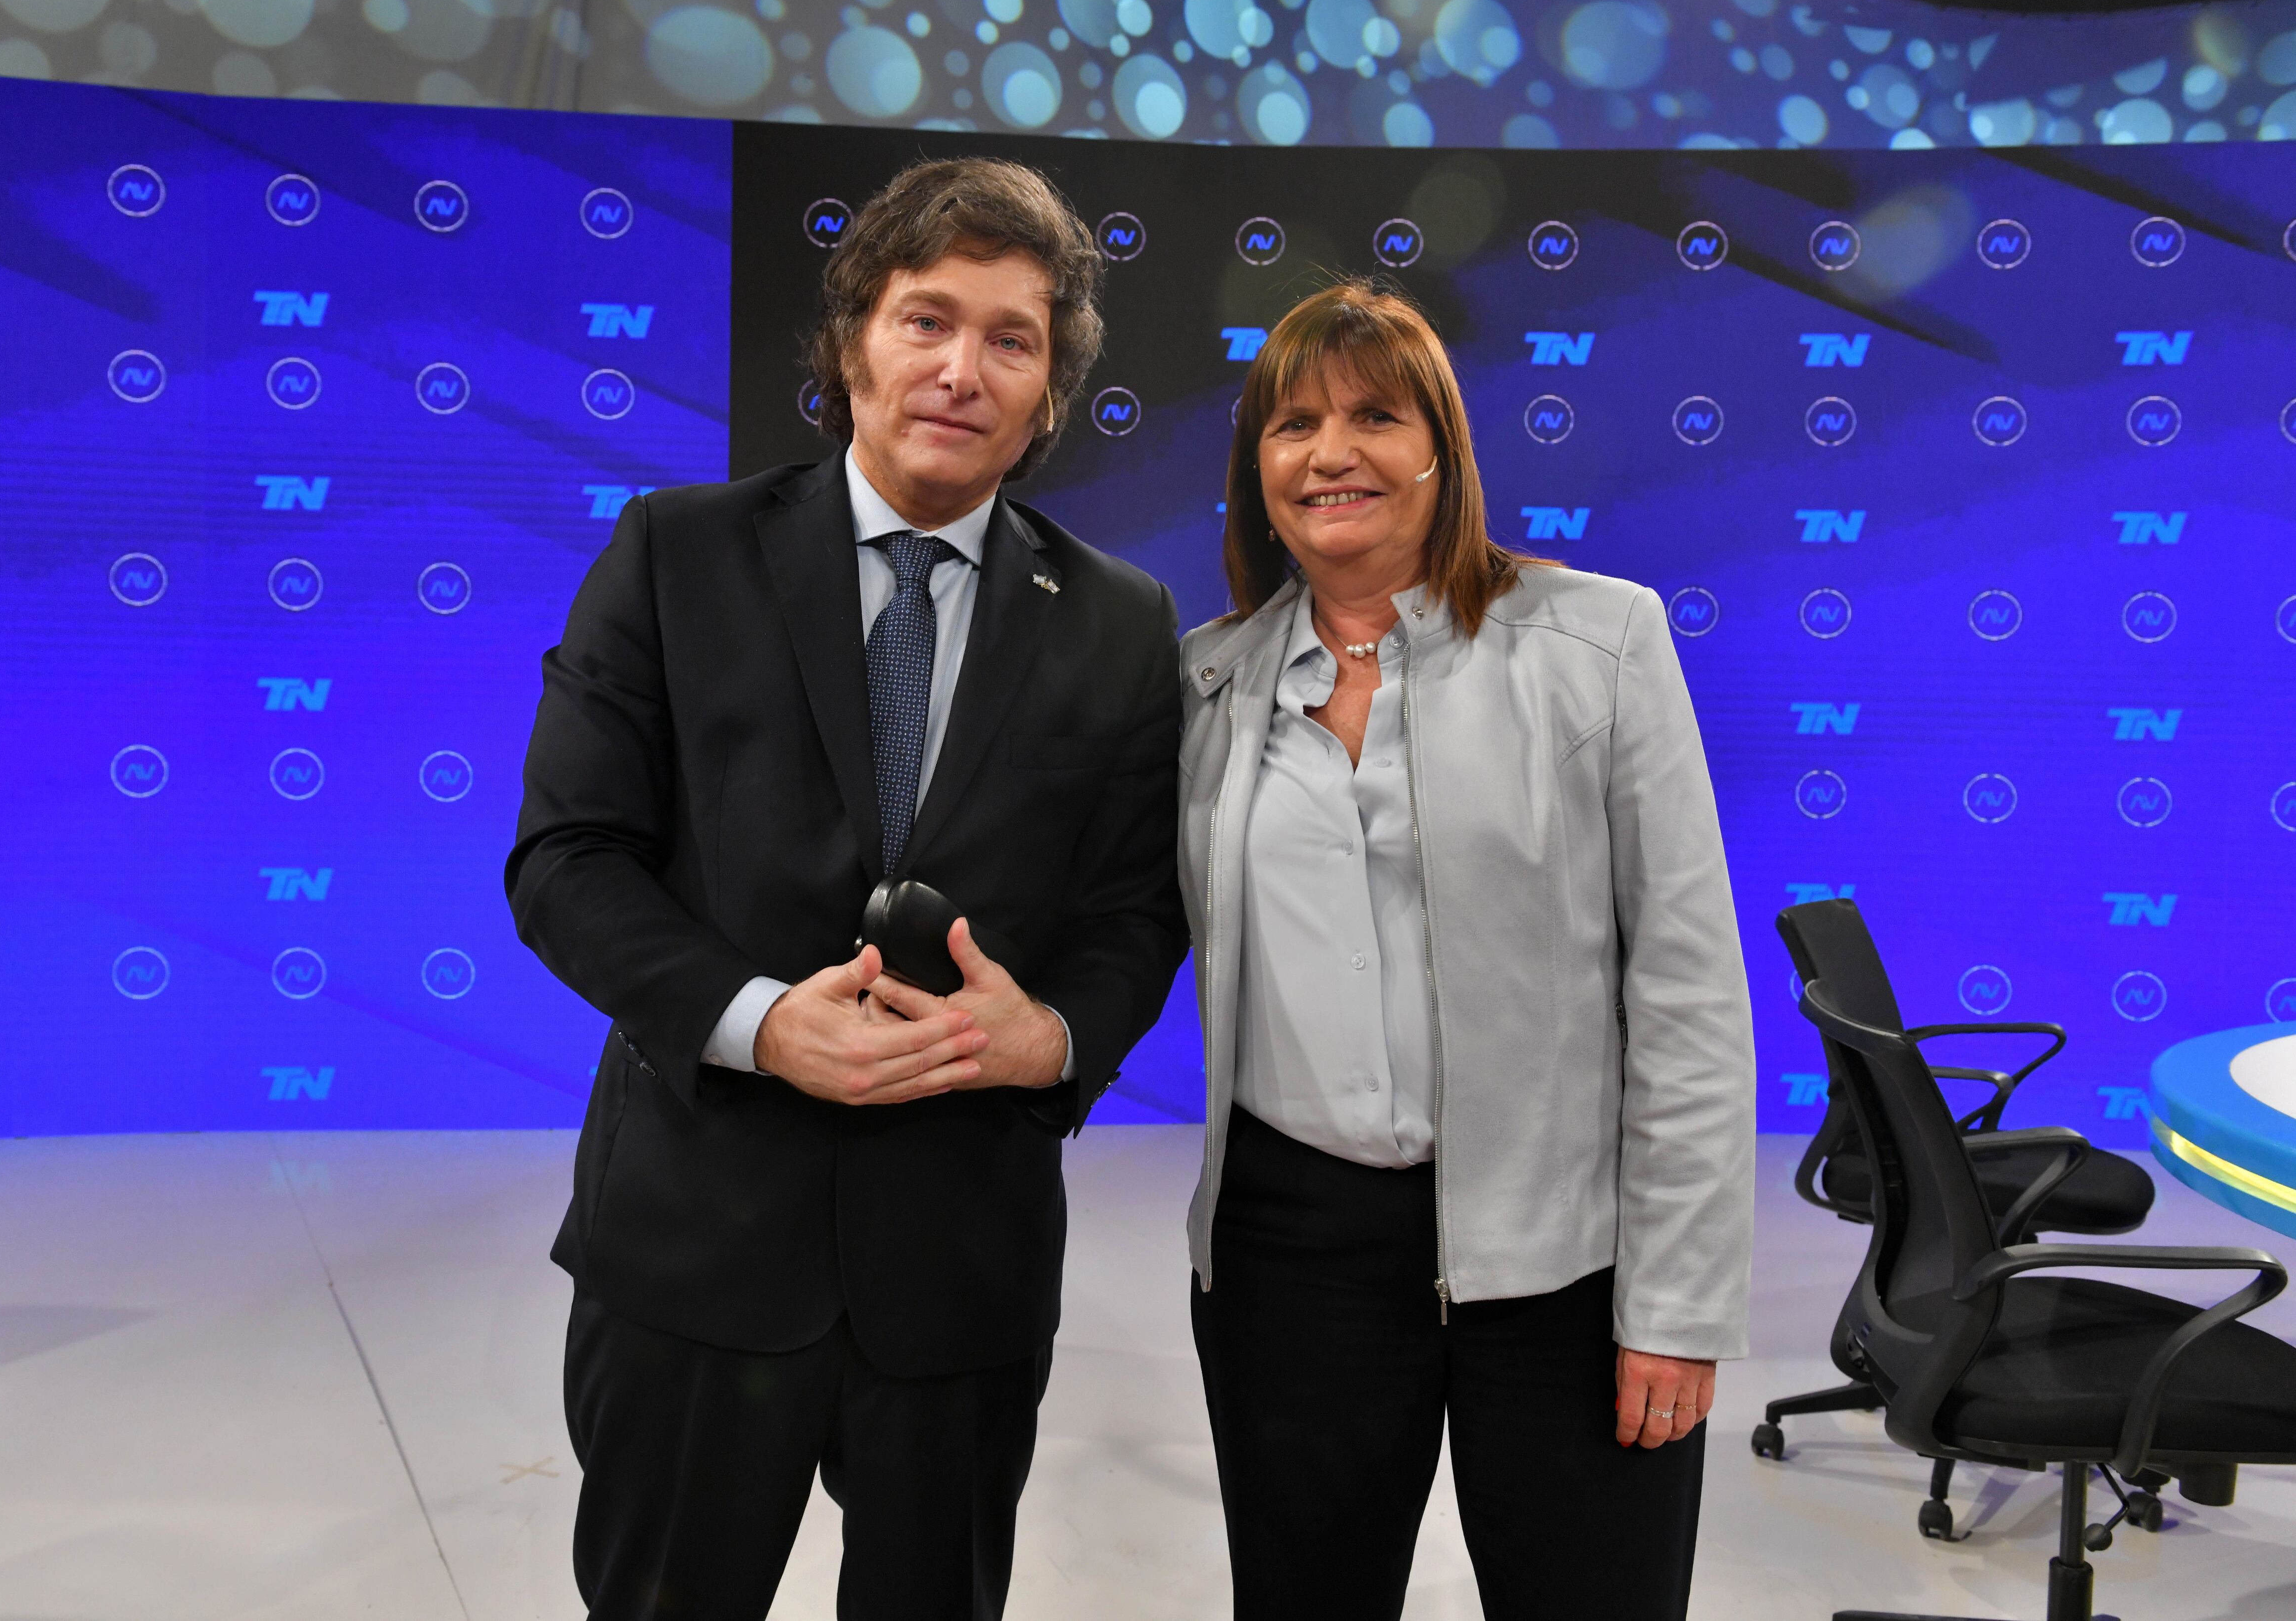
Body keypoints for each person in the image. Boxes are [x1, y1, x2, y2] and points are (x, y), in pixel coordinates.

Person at [506, 157, 1187, 1621]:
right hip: (700, 1242)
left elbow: (1137, 911)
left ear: (1051, 388)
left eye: (1014, 339)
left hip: (961, 1265)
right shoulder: (676, 555)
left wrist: (1056, 1040)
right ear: (850, 341)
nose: (963, 368)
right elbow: (567, 859)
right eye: (926, 319)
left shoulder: (1123, 625)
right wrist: (758, 1021)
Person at [1176, 279, 1754, 1621]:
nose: (1333, 452)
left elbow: (1688, 997)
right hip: (1289, 1262)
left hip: (1562, 1262)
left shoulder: (1600, 643)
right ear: (1257, 470)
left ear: (1441, 449)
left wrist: (1676, 1304)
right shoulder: (1201, 683)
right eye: (1294, 424)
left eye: (1375, 415)